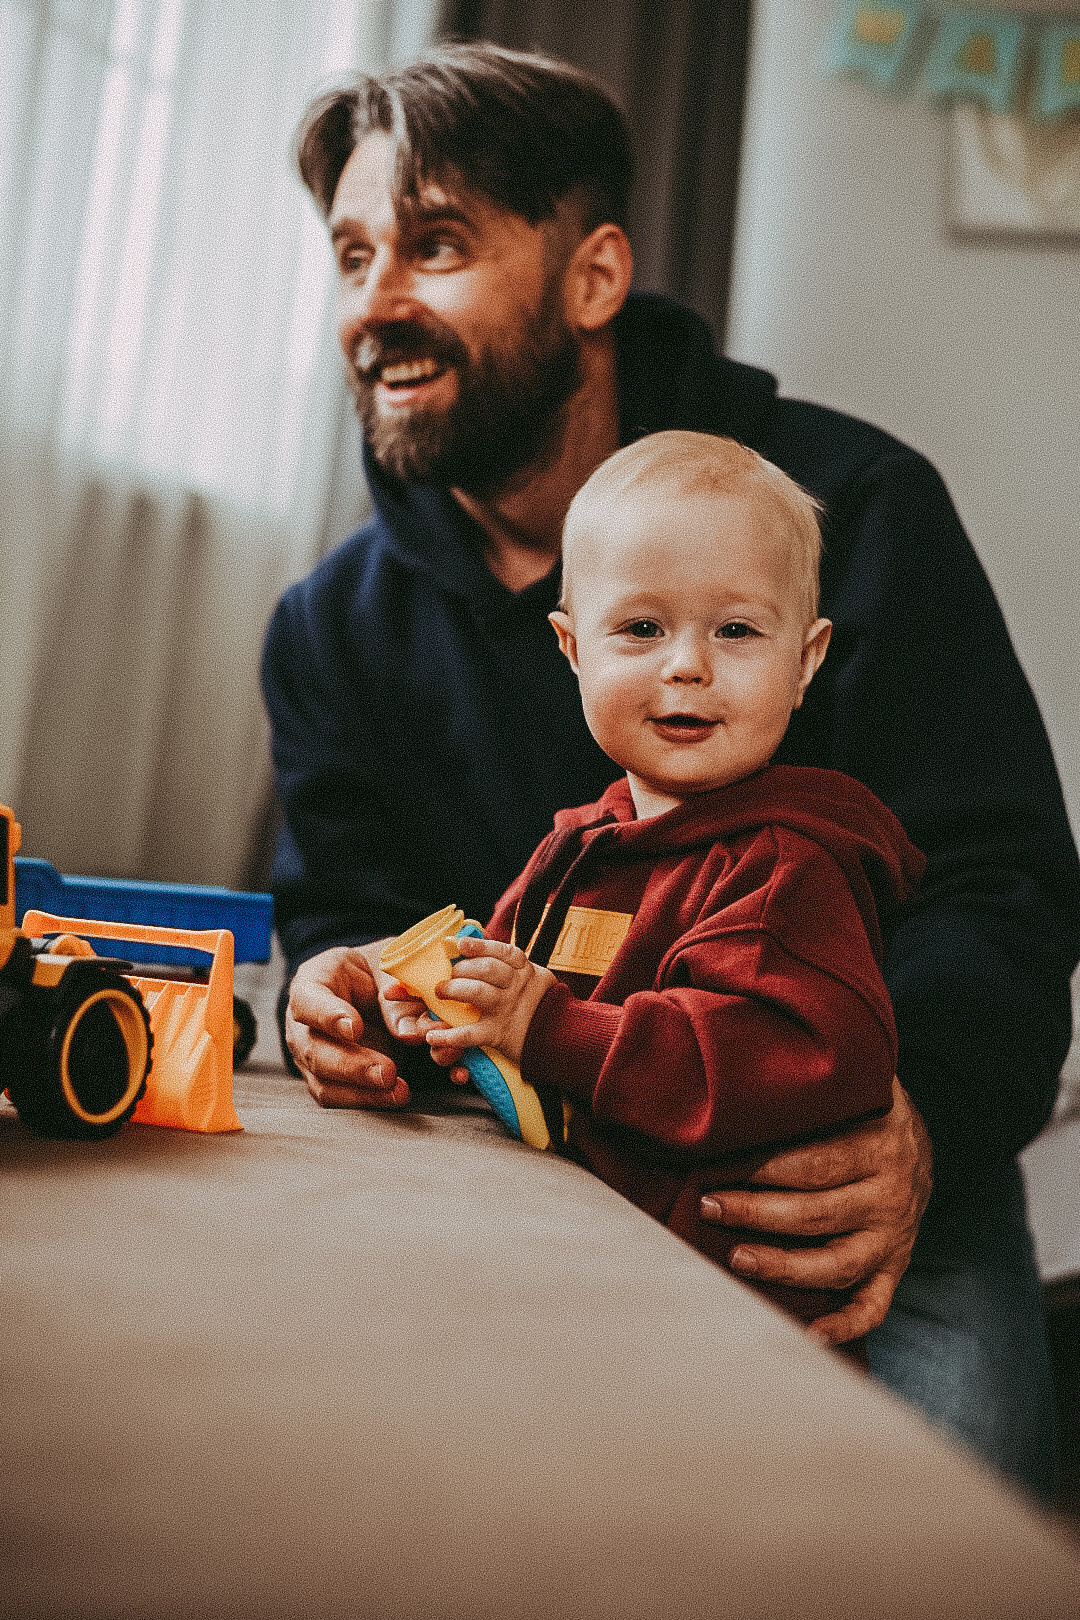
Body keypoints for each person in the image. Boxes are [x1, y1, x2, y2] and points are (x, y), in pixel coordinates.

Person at [261, 44, 1080, 1498]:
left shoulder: (858, 509)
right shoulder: (331, 627)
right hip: (533, 1164)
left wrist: (923, 1131)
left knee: (939, 1534)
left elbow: (1002, 884)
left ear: (593, 277)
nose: (375, 303)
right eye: (351, 254)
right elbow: (348, 909)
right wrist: (339, 986)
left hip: (851, 1163)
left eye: (435, 244)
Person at [380, 430, 925, 1357]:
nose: (687, 666)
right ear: (571, 649)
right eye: (641, 628)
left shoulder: (786, 867)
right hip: (569, 1243)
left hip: (718, 1297)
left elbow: (767, 1060)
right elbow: (502, 1005)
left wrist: (545, 1025)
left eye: (737, 631)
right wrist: (428, 1010)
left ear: (807, 660)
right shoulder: (577, 849)